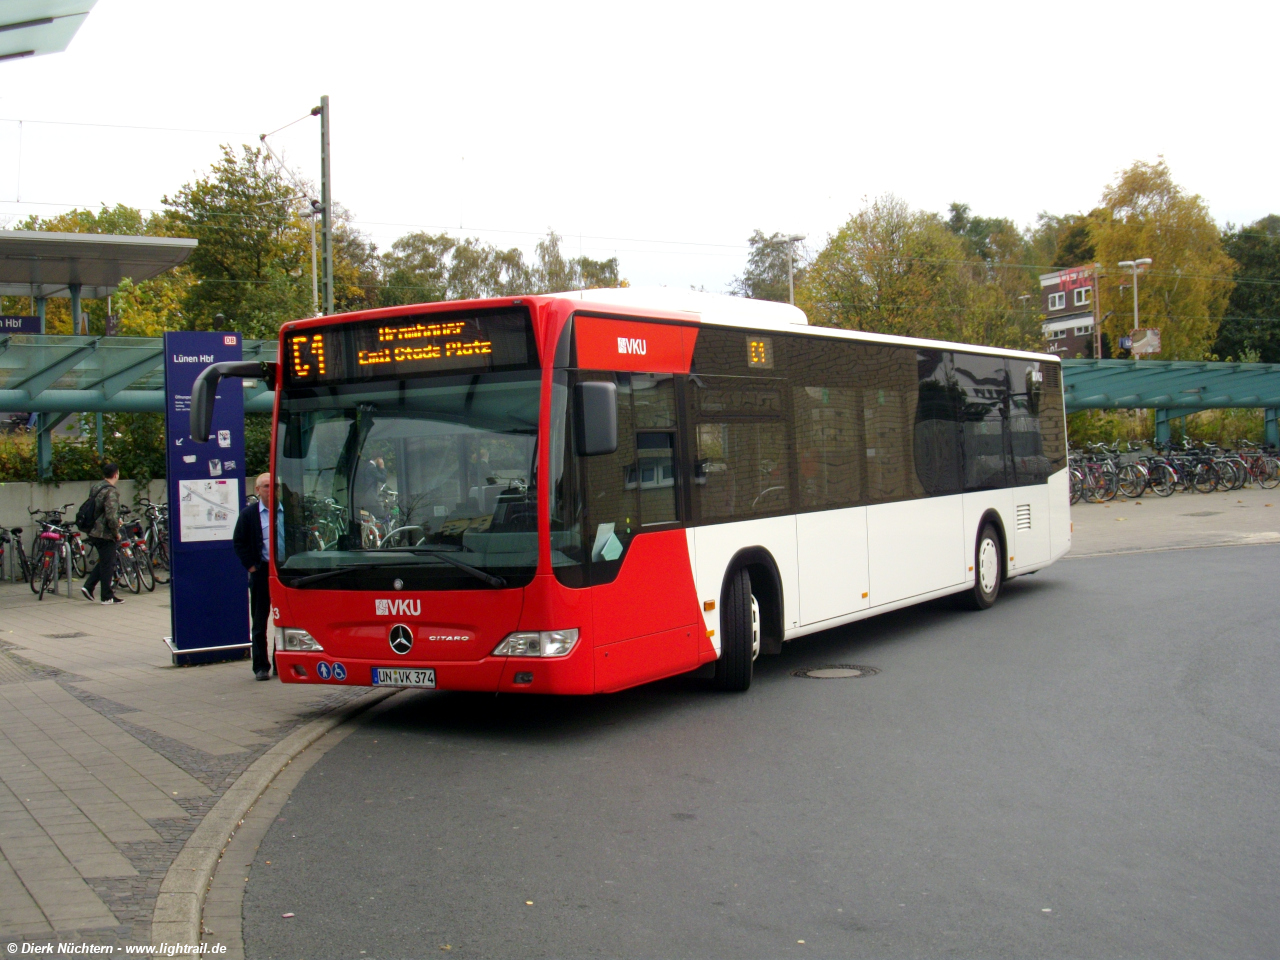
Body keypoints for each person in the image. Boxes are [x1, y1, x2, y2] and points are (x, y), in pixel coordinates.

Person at [233, 473, 283, 681]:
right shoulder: (249, 515)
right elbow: (239, 542)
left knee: (283, 620)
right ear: (257, 490)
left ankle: (281, 662)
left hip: (283, 571)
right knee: (260, 621)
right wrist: (252, 567)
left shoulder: (286, 512)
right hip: (261, 571)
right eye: (265, 486)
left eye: (275, 486)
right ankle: (261, 665)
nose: (271, 490)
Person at [81, 462, 123, 605]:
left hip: (93, 530)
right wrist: (116, 532)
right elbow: (111, 516)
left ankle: (88, 586)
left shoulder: (97, 487)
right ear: (116, 474)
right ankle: (106, 596)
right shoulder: (111, 491)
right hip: (104, 533)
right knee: (108, 564)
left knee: (105, 561)